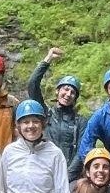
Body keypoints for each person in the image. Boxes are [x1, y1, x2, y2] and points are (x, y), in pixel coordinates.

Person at [27, 47, 84, 181]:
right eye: (65, 89)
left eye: (73, 92)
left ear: (75, 98)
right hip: (43, 171)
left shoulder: (80, 121)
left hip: (68, 175)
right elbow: (32, 85)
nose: (68, 94)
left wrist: (67, 176)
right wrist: (48, 60)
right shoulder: (45, 113)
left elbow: (81, 152)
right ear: (57, 92)